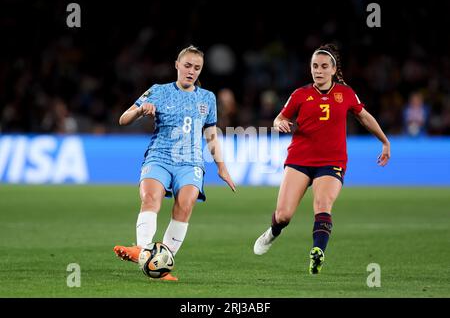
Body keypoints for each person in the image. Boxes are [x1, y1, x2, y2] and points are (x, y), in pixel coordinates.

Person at [253, 43, 391, 274]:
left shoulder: (345, 94)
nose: (318, 70)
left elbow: (364, 118)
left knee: (323, 204)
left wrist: (385, 141)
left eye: (323, 66)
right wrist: (280, 124)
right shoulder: (300, 94)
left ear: (333, 70)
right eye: (315, 66)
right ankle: (274, 231)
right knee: (284, 215)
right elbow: (279, 118)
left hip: (332, 161)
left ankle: (318, 251)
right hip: (300, 159)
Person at [114, 45, 236, 281]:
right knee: (150, 198)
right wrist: (140, 111)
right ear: (177, 65)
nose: (191, 71)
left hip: (190, 162)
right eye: (188, 65)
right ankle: (143, 251)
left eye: (197, 68)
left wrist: (221, 166)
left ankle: (159, 265)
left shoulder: (207, 98)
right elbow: (123, 119)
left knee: (186, 205)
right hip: (159, 156)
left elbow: (210, 133)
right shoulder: (158, 91)